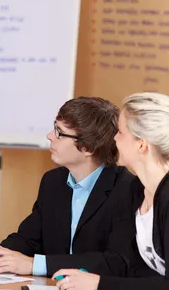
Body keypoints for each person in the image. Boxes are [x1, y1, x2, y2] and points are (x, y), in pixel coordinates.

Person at [0, 97, 135, 277]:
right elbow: (30, 238)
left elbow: (114, 261)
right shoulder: (53, 181)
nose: (50, 136)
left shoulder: (128, 190)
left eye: (60, 132)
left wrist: (35, 264)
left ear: (88, 147)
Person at [53, 92, 169, 289]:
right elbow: (128, 266)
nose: (114, 138)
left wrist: (99, 283)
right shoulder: (137, 189)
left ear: (142, 145)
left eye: (121, 133)